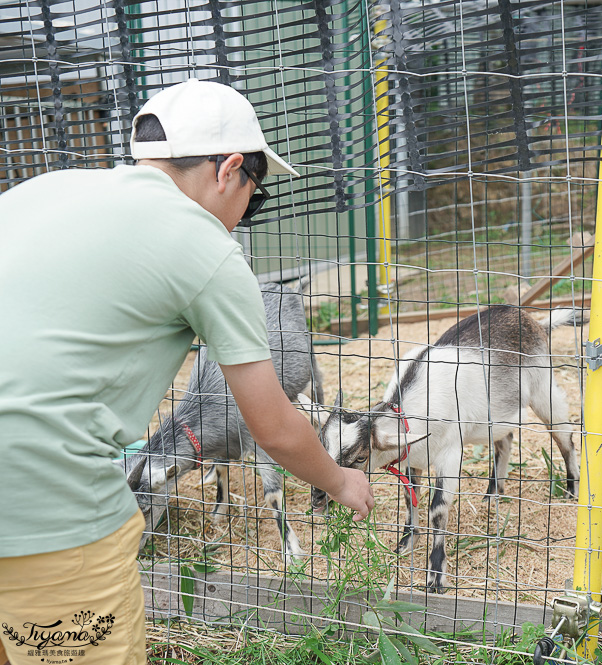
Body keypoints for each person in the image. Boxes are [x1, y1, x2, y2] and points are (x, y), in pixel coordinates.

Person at [0, 79, 373, 665]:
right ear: (229, 169)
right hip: (48, 504)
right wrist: (340, 481)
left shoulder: (41, 191)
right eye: (256, 196)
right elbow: (273, 427)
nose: (245, 214)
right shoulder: (206, 249)